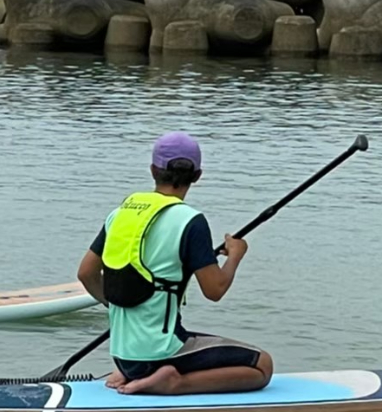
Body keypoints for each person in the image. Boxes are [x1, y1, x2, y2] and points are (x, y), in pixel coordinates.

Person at [76, 131, 273, 395]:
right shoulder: (190, 221)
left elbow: (86, 273)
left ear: (152, 171)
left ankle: (134, 371)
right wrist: (236, 254)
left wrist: (119, 307)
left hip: (123, 354)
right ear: (197, 176)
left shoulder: (120, 213)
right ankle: (173, 382)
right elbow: (215, 290)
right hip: (162, 352)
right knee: (262, 366)